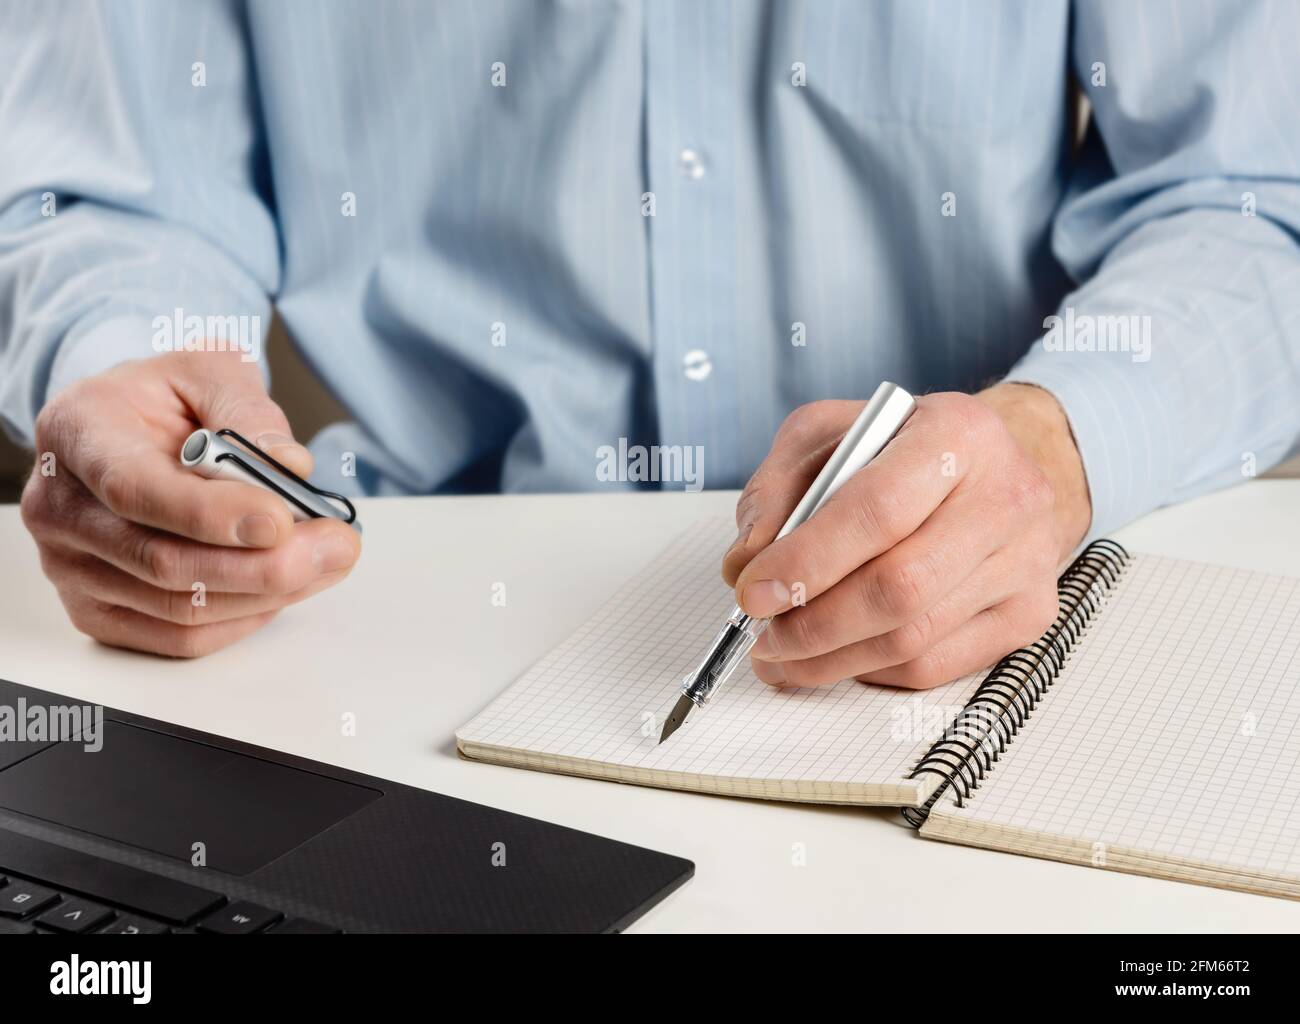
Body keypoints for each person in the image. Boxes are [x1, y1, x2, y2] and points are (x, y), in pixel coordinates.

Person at [2, 2, 1298, 680]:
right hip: (386, 635)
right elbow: (119, 194)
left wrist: (1053, 447)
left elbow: (1252, 194)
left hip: (990, 629)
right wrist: (126, 362)